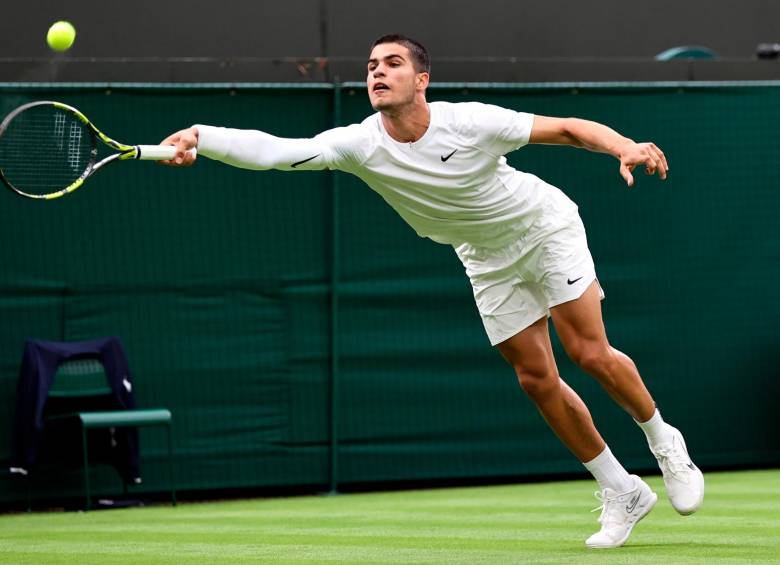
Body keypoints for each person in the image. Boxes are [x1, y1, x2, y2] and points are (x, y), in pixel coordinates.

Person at [160, 34, 704, 549]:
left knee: (587, 352)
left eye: (392, 63)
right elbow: (277, 152)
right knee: (537, 380)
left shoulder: (469, 121)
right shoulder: (357, 144)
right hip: (484, 257)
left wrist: (623, 146)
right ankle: (621, 489)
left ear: (422, 79)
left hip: (543, 229)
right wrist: (201, 138)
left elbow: (565, 128)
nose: (378, 72)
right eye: (372, 66)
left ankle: (664, 443)